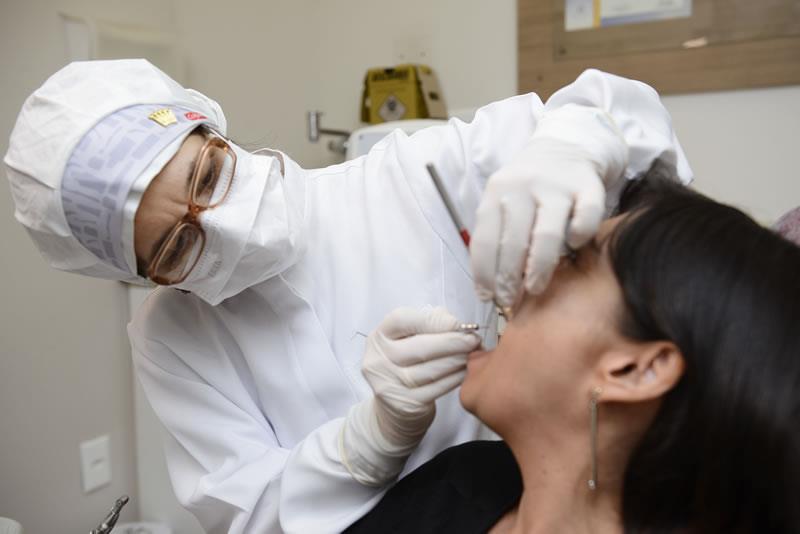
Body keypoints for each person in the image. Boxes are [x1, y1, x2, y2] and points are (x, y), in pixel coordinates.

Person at [4, 59, 691, 533]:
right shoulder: (168, 338)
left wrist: (574, 146)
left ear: (210, 127)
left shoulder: (412, 175)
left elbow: (618, 118)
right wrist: (369, 438)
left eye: (208, 175)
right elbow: (250, 515)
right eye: (175, 247)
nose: (222, 224)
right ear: (142, 275)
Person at [346, 175, 800, 534]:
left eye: (572, 262)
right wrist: (364, 446)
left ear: (635, 370)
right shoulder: (456, 482)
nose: (524, 278)